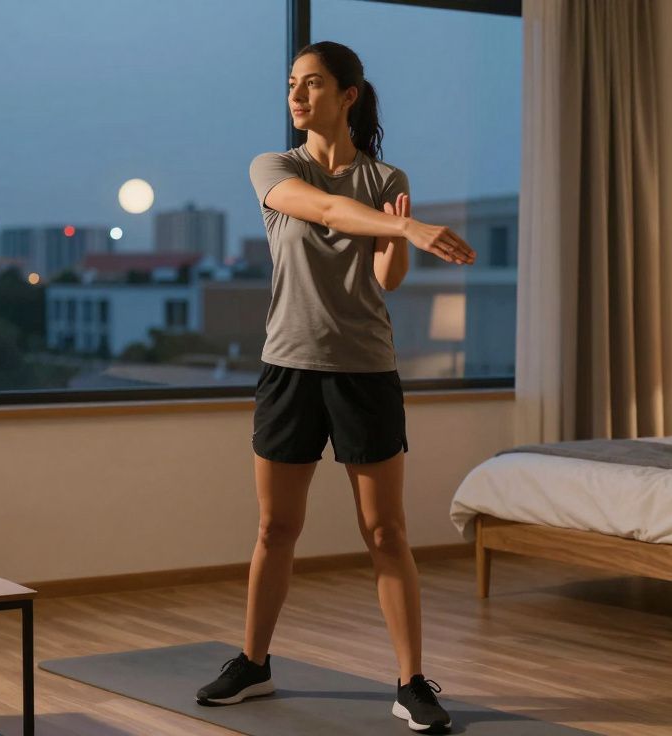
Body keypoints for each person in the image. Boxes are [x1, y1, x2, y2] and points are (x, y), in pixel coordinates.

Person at [194, 41, 475, 733]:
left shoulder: (386, 177)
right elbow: (318, 210)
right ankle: (254, 663)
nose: (297, 95)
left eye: (313, 84)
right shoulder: (274, 167)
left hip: (365, 370)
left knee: (386, 532)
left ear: (348, 95)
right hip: (289, 366)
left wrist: (398, 236)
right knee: (275, 527)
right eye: (293, 83)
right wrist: (404, 222)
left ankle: (411, 682)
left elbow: (385, 281)